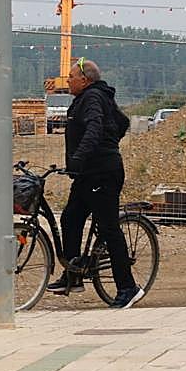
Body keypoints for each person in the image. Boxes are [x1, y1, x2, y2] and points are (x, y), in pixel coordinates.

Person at [49, 58, 140, 308]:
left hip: (103, 173)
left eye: (71, 77)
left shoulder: (92, 98)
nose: (67, 81)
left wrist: (84, 156)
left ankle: (128, 287)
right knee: (70, 218)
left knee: (108, 228)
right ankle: (73, 275)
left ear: (85, 80)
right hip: (87, 173)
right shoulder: (88, 98)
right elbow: (121, 123)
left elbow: (94, 129)